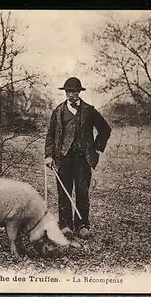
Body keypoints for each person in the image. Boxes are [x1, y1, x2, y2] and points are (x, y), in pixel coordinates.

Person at [44, 77, 111, 239]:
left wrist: (95, 147)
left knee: (82, 192)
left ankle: (82, 225)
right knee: (64, 192)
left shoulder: (89, 110)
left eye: (74, 91)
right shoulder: (58, 111)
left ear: (79, 92)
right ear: (65, 93)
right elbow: (50, 135)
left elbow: (105, 129)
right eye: (68, 91)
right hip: (63, 158)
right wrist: (48, 155)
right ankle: (65, 225)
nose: (71, 95)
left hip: (83, 159)